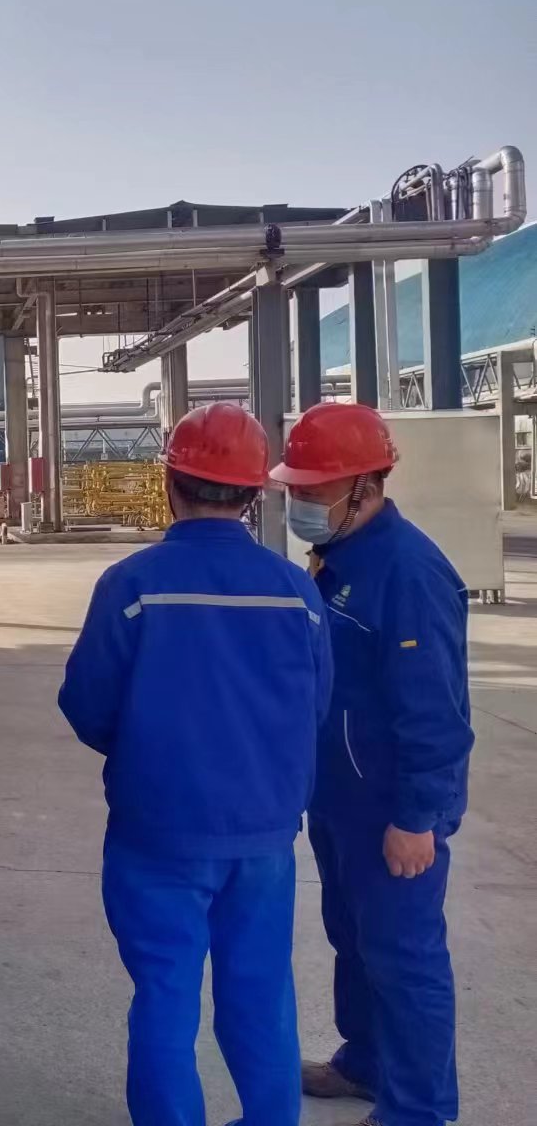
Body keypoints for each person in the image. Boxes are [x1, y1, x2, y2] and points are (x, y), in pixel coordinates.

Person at [58, 402, 332, 1126]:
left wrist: (150, 747)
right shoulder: (296, 591)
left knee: (166, 995)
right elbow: (315, 706)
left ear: (169, 481)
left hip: (160, 830)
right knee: (261, 993)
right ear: (253, 494)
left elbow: (87, 703)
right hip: (265, 833)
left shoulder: (133, 586)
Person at [271, 402, 473, 1126]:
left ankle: (418, 1110)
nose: (300, 502)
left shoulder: (408, 573)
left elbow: (436, 713)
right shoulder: (339, 560)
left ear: (364, 486)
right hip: (339, 795)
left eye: (313, 489)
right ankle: (366, 1063)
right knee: (353, 939)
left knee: (403, 956)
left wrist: (417, 818)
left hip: (391, 806)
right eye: (295, 488)